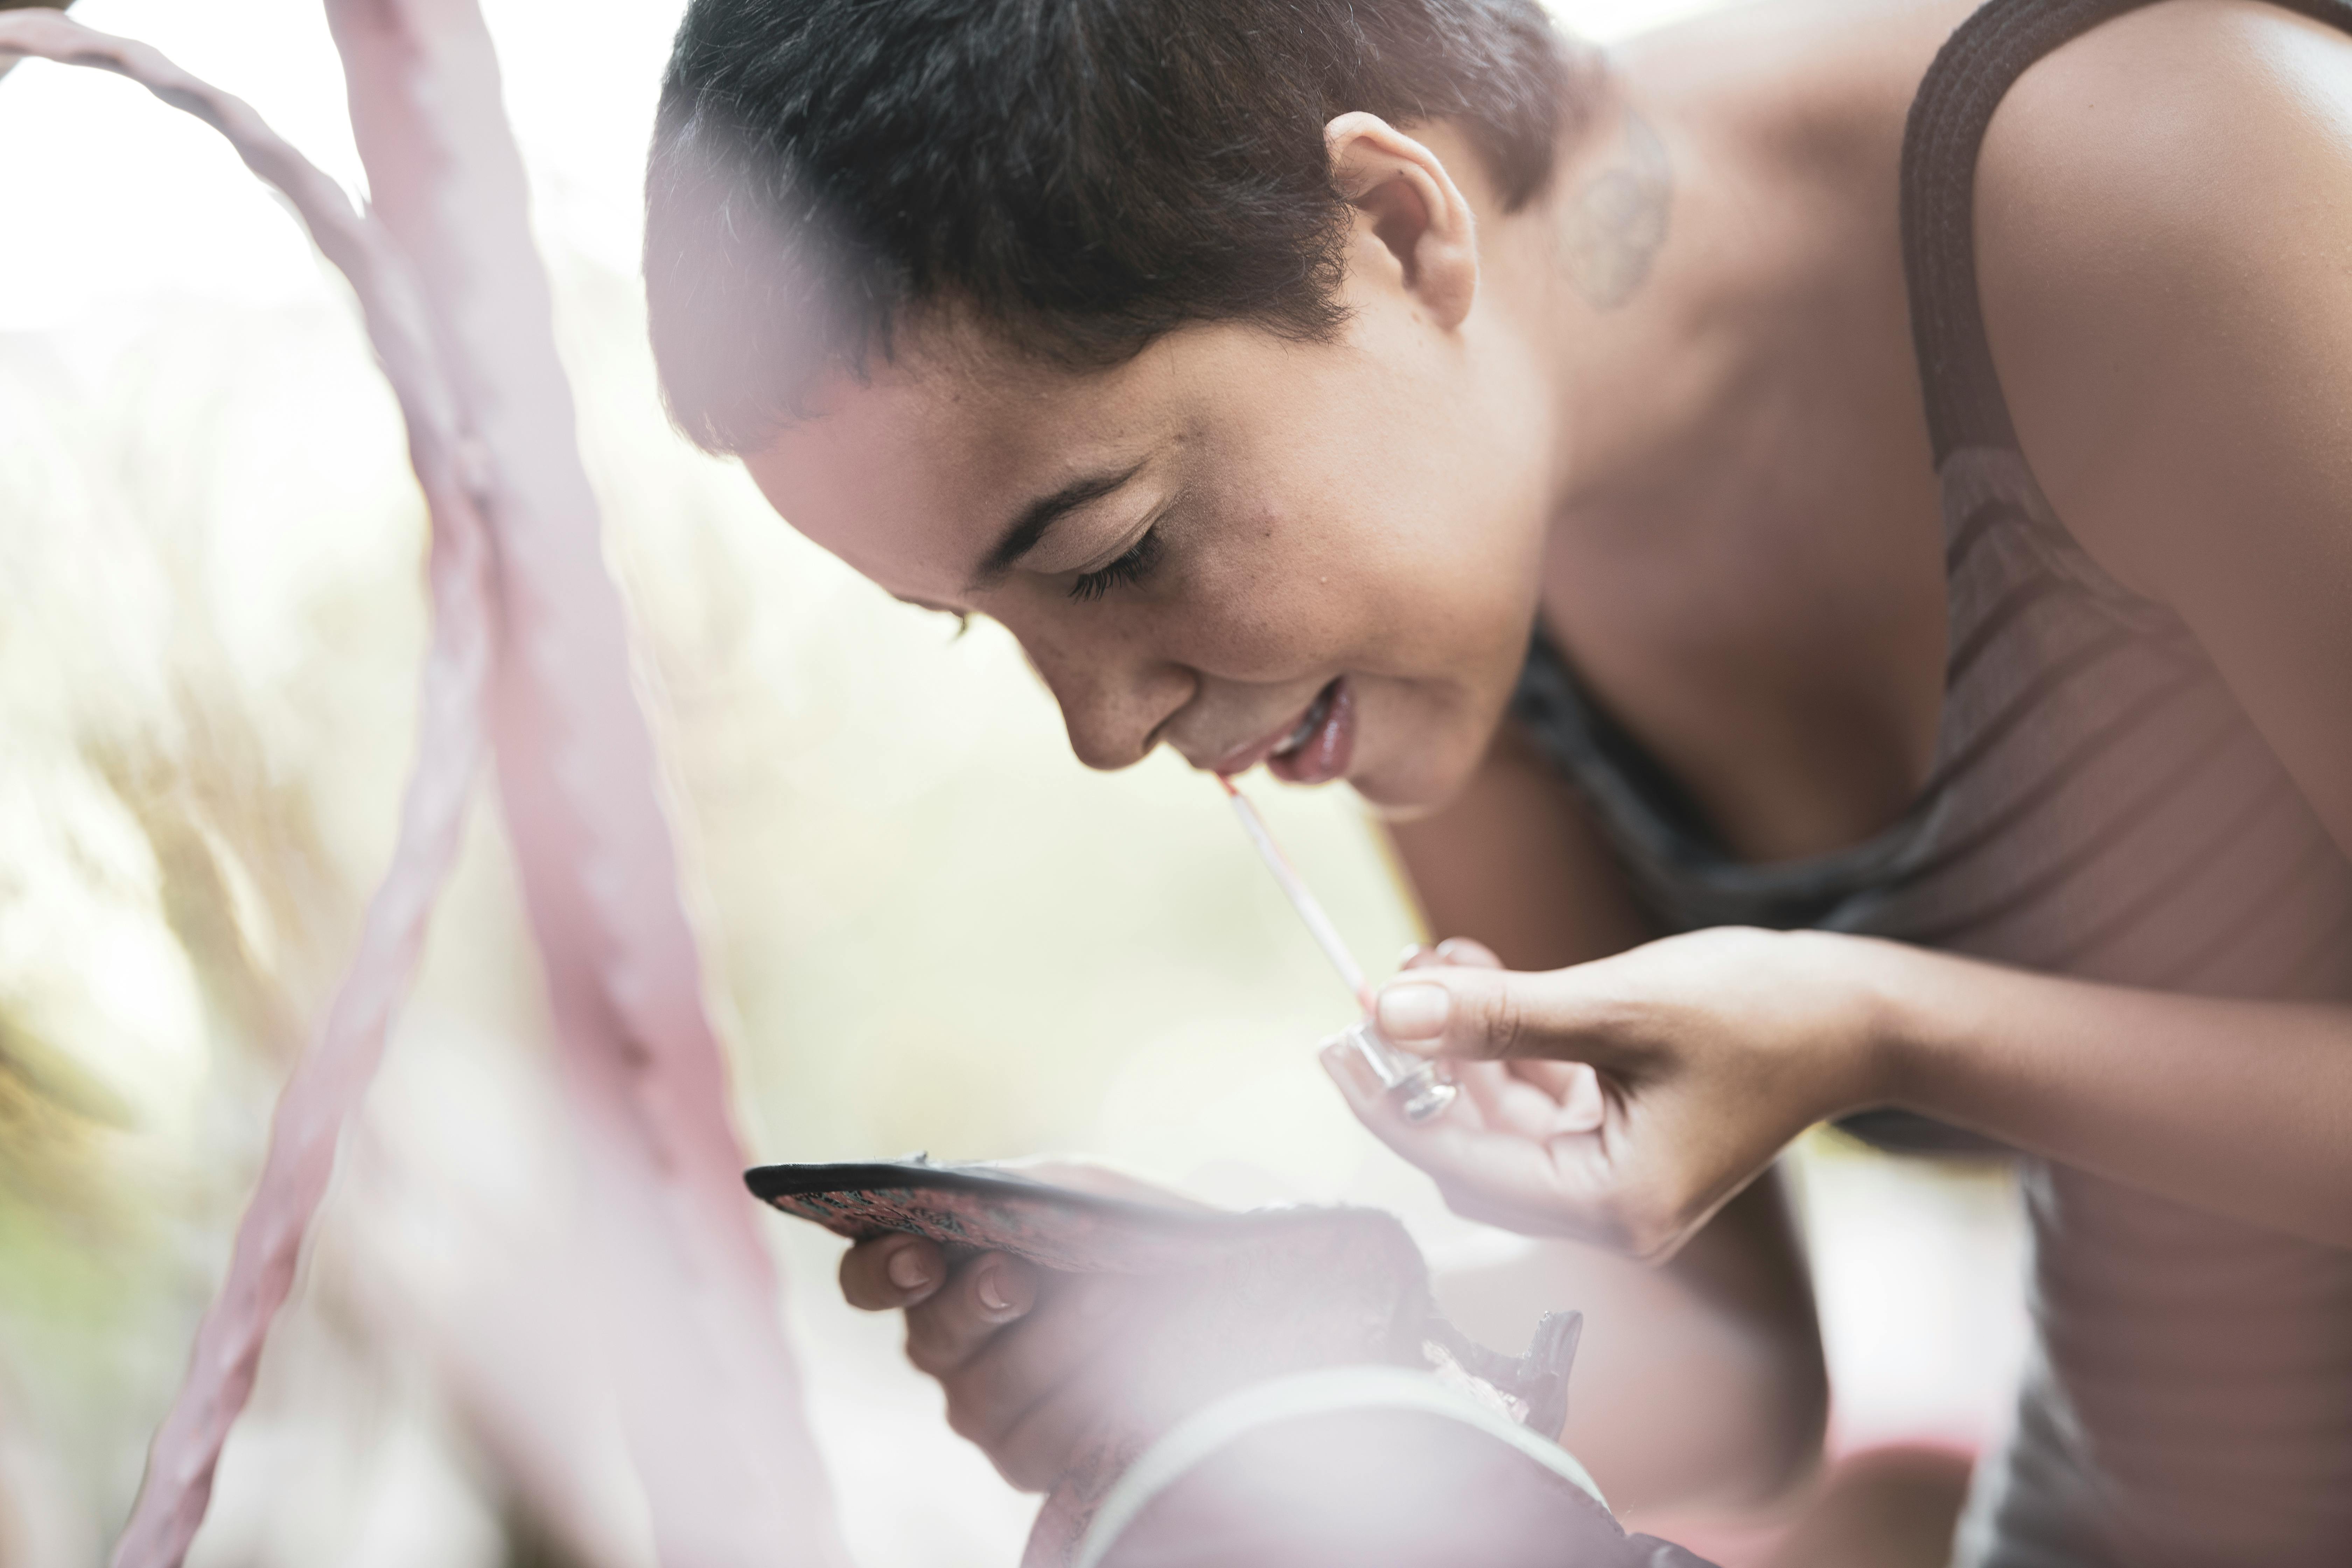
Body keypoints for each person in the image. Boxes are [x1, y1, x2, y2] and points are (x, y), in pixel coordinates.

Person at [642, 0, 2352, 1561]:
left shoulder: (2154, 184)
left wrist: (1882, 1024)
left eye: (1110, 552)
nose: (1102, 724)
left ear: (1394, 228)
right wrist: (1318, 1345)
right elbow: (1746, 1372)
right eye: (972, 623)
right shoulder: (1450, 585)